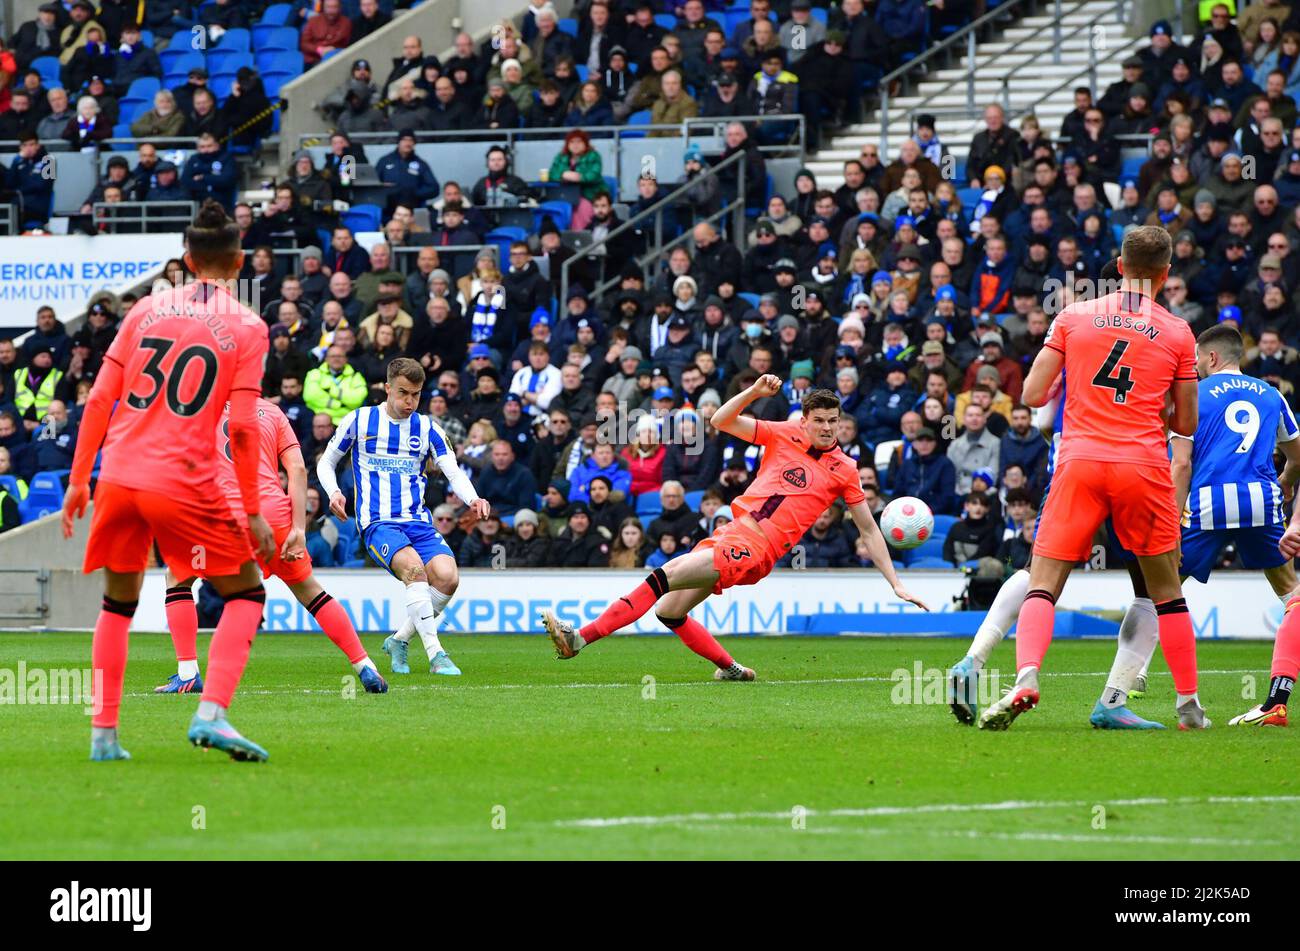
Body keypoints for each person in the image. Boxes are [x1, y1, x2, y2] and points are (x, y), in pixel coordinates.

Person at [61, 200, 275, 763]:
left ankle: (103, 736)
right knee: (247, 593)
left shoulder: (143, 312)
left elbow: (100, 398)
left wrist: (80, 479)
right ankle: (212, 715)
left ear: (185, 258)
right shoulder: (249, 326)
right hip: (181, 480)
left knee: (117, 605)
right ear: (239, 261)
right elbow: (247, 429)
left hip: (119, 476)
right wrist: (253, 509)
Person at [540, 380, 928, 679]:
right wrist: (755, 392)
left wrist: (894, 582)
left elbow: (869, 530)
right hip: (733, 532)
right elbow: (720, 420)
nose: (828, 429)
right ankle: (731, 669)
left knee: (667, 574)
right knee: (669, 611)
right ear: (805, 420)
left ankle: (580, 639)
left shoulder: (844, 469)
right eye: (820, 421)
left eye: (834, 421)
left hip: (757, 548)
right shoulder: (783, 433)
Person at [977, 227, 1206, 732]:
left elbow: (1034, 394)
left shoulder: (1072, 317)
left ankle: (1027, 676)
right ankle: (1189, 705)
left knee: (1043, 585)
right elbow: (1187, 424)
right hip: (1143, 466)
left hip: (1080, 461)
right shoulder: (1178, 332)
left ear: (1119, 266)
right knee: (1166, 593)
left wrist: (1076, 373)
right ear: (1166, 275)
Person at [156, 398, 387, 696]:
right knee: (309, 590)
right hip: (273, 515)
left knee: (176, 579)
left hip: (222, 514)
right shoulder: (273, 412)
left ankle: (188, 673)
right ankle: (365, 665)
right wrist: (299, 529)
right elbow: (298, 470)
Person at [1157, 327, 1300, 727]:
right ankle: (1276, 700)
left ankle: (1129, 683)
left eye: (1197, 359)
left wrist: (1171, 520)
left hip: (1208, 504)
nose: (1195, 365)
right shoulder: (1272, 395)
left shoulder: (1193, 395)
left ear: (1212, 358)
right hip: (1261, 501)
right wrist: (1286, 481)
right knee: (1294, 595)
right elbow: (1297, 455)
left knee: (1163, 592)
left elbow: (1181, 466)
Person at [317, 358, 491, 677]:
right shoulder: (359, 421)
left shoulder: (427, 428)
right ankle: (436, 654)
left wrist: (473, 497)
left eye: (416, 394)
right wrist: (333, 492)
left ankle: (399, 640)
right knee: (415, 571)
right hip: (378, 521)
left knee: (448, 577)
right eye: (403, 393)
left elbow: (453, 470)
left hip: (418, 522)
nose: (409, 401)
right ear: (387, 389)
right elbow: (326, 462)